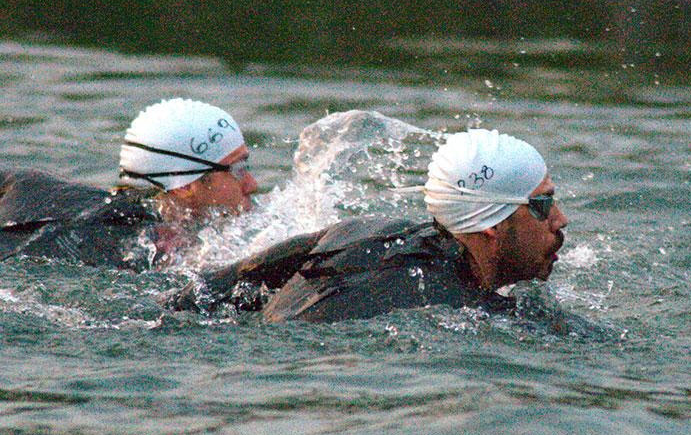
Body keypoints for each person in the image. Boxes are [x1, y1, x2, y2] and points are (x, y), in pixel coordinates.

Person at [169, 128, 570, 324]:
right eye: (542, 205)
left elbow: (210, 289)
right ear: (490, 226)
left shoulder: (364, 231)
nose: (560, 220)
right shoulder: (468, 308)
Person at [0, 98, 259, 270]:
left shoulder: (31, 185)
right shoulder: (138, 251)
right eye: (238, 169)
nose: (252, 184)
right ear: (183, 185)